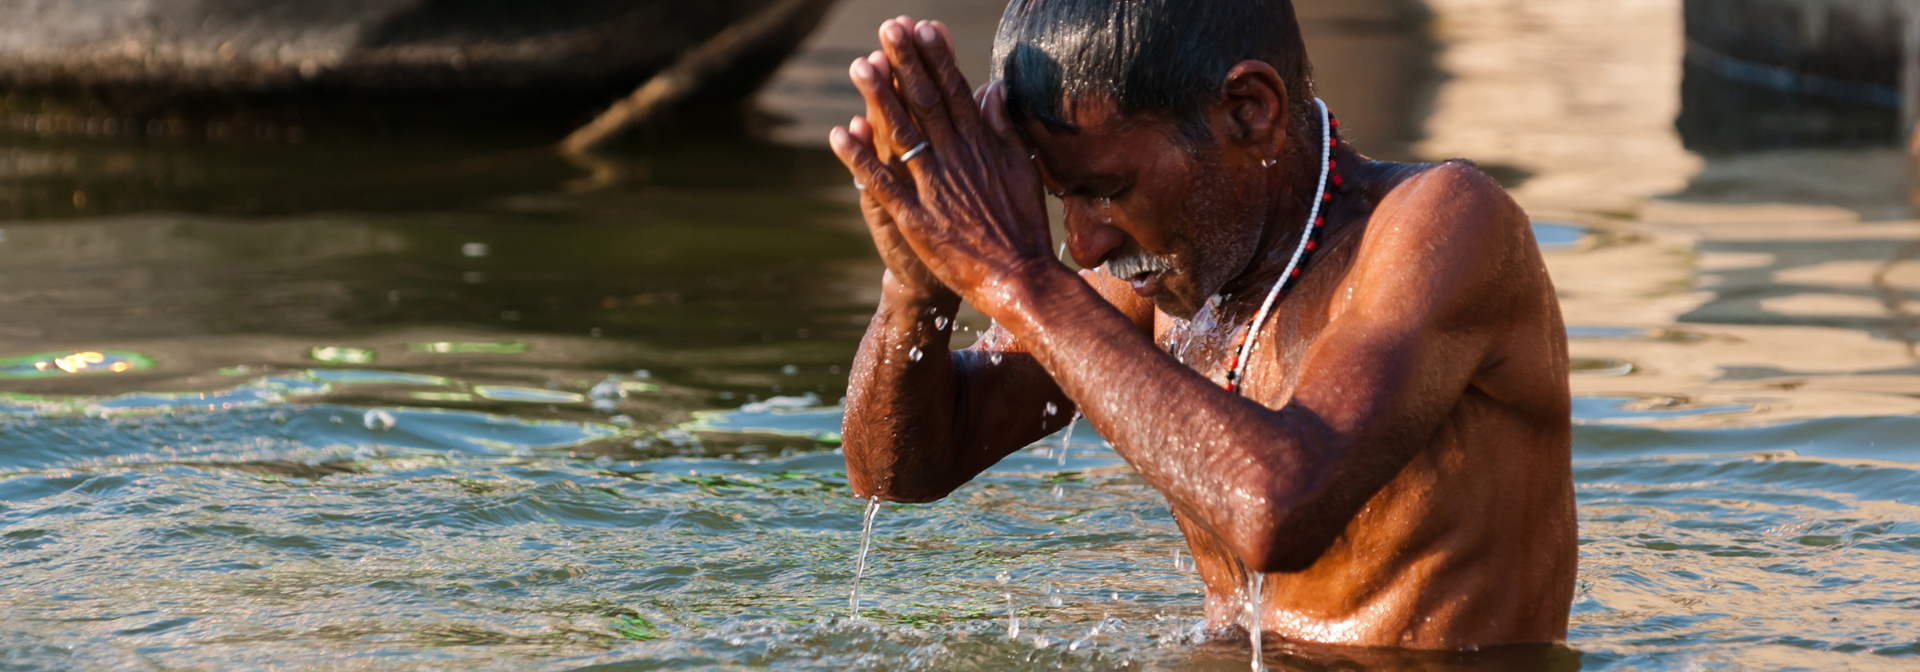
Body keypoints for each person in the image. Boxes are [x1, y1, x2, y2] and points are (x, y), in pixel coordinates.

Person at [828, 0, 1576, 651]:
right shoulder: (1168, 273)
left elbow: (1278, 509)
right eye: (1061, 198)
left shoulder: (1443, 225)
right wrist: (920, 281)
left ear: (1250, 109)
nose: (1084, 243)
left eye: (1107, 190)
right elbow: (901, 472)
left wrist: (1019, 278)